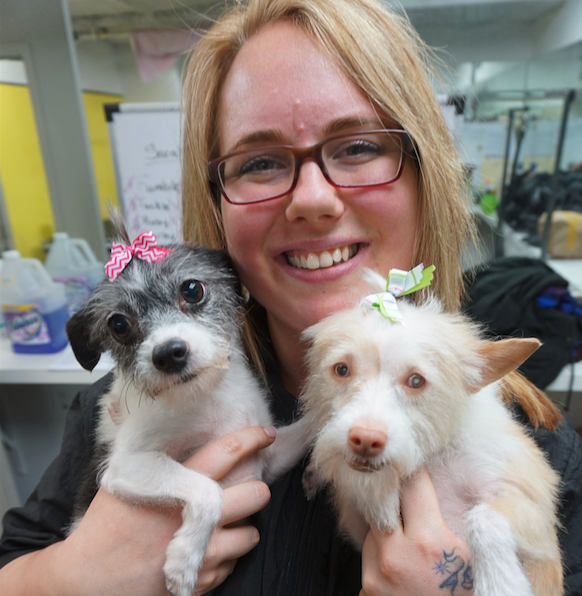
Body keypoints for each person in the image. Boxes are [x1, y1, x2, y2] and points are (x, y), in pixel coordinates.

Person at [1, 0, 581, 594]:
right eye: (259, 161)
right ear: (217, 206)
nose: (312, 198)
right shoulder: (131, 409)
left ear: (424, 172)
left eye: (358, 147)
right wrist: (66, 578)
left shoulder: (533, 454)